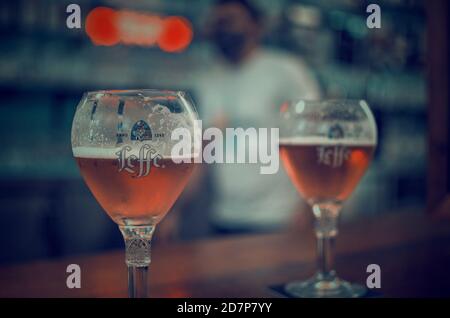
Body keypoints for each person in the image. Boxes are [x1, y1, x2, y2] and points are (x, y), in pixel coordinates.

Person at [190, 0, 322, 234]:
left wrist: (308, 207)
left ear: (256, 26)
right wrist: (173, 210)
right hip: (224, 214)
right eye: (218, 22)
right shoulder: (208, 78)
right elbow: (203, 149)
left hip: (278, 216)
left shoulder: (286, 70)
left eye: (230, 21)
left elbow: (314, 134)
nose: (223, 29)